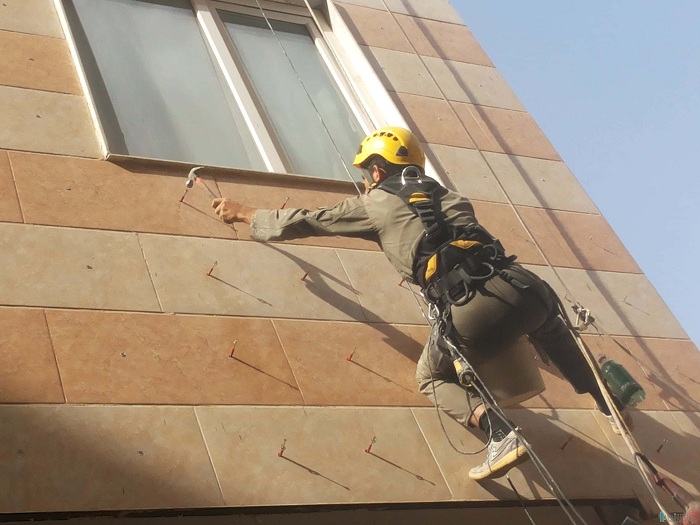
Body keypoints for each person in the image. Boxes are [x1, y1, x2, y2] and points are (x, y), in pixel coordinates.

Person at [212, 126, 629, 481]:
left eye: (365, 176)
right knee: (550, 328)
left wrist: (245, 214)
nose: (364, 184)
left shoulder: (373, 203)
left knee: (430, 376)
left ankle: (501, 435)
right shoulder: (447, 194)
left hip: (467, 306)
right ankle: (605, 400)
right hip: (523, 285)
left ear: (377, 170)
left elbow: (308, 219)